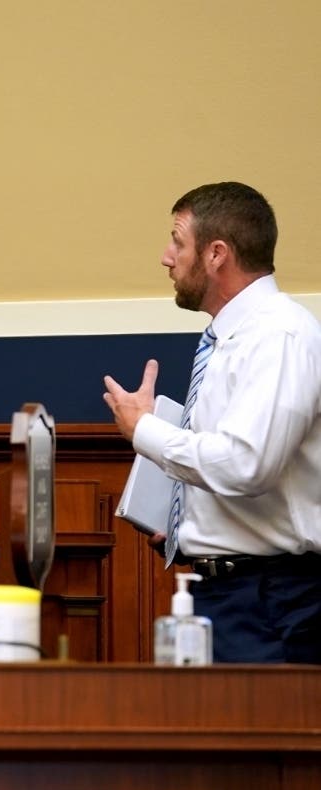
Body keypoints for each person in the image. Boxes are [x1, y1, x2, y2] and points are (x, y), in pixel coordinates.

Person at [102, 181, 321, 663]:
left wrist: (144, 431)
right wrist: (185, 517)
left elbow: (247, 465)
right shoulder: (231, 338)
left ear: (216, 253)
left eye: (178, 241)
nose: (166, 256)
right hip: (229, 594)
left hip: (271, 603)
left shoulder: (278, 336)